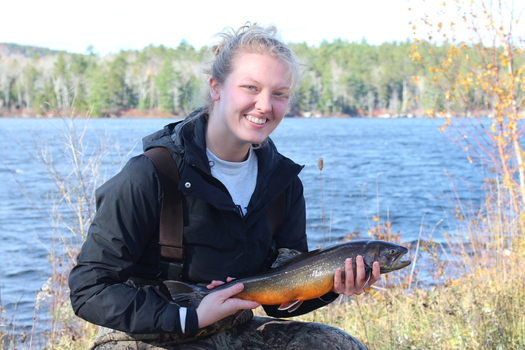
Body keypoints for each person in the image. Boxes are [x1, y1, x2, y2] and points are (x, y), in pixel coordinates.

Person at [68, 23, 380, 349]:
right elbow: (89, 289)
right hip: (152, 335)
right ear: (215, 87)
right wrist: (191, 317)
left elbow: (278, 300)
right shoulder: (150, 175)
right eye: (250, 88)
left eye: (279, 94)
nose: (264, 105)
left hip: (235, 331)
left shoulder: (283, 184)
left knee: (339, 345)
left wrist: (331, 285)